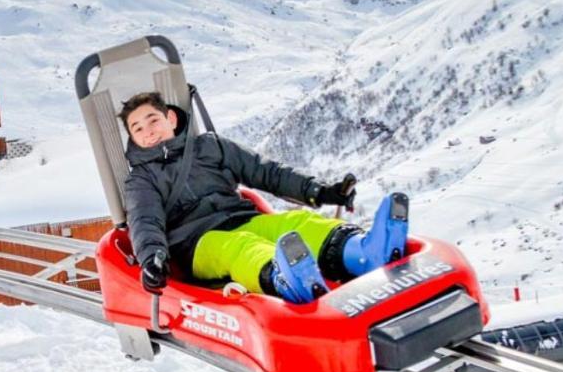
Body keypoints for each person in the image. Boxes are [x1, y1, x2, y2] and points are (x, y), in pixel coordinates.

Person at [119, 91, 408, 304]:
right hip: (196, 243)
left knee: (297, 221)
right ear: (133, 138)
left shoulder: (210, 146)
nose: (149, 132)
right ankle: (285, 279)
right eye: (138, 128)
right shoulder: (141, 180)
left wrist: (318, 191)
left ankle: (363, 251)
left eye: (152, 120)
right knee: (241, 247)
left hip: (241, 217)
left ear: (170, 117)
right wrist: (152, 258)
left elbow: (265, 172)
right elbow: (145, 221)